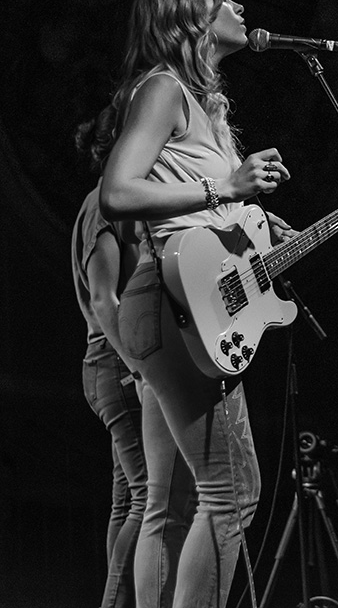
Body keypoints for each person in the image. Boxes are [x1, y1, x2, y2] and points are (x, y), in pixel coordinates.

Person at [99, 0, 294, 608]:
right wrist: (224, 187)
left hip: (188, 300)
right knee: (231, 493)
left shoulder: (204, 105)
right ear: (191, 18)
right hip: (170, 299)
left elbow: (204, 222)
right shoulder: (163, 89)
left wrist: (251, 222)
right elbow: (119, 191)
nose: (239, 4)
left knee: (189, 497)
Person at [72, 105, 147, 608]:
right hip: (113, 361)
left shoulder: (106, 206)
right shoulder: (103, 206)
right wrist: (140, 367)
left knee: (127, 498)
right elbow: (104, 300)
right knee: (147, 496)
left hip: (107, 363)